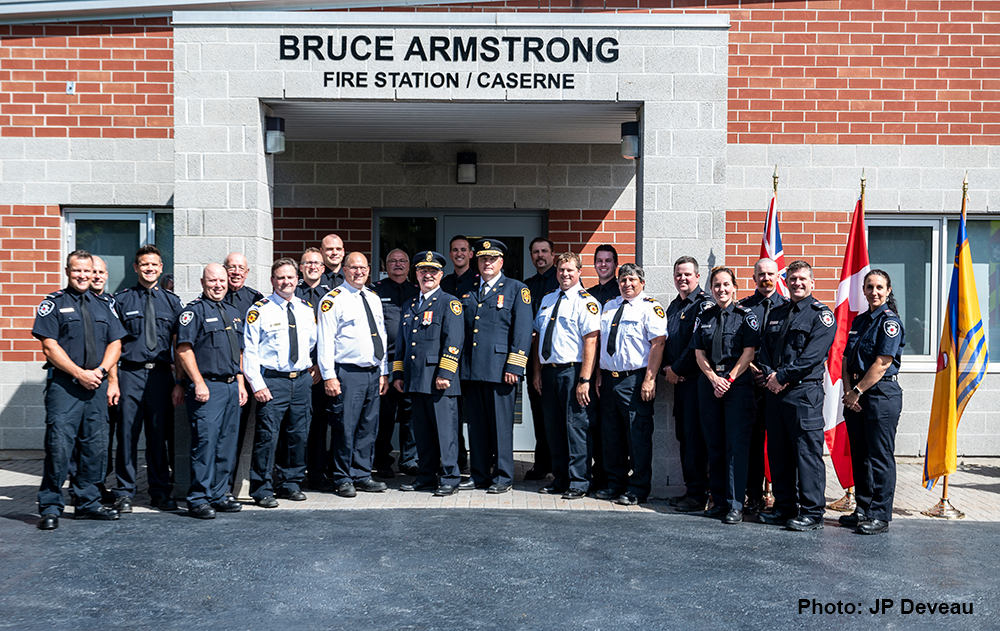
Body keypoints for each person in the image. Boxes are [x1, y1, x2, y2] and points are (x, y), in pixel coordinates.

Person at [34, 251, 127, 530]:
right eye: (77, 270)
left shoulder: (104, 306)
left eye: (87, 271)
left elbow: (116, 344)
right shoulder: (53, 304)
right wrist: (79, 374)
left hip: (95, 387)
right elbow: (49, 347)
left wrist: (99, 373)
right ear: (67, 271)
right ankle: (50, 506)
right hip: (66, 387)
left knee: (95, 447)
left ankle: (88, 503)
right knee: (59, 447)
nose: (83, 275)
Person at [757, 260, 836, 531]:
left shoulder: (821, 315)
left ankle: (812, 513)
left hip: (804, 394)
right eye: (792, 279)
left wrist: (780, 377)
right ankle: (784, 507)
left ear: (812, 282)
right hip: (775, 394)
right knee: (779, 453)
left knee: (806, 454)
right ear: (786, 282)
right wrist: (770, 375)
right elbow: (764, 350)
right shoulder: (778, 311)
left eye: (802, 279)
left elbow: (813, 356)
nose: (797, 283)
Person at [111, 245, 184, 513]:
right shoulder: (121, 301)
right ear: (136, 268)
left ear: (161, 267)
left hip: (161, 376)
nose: (149, 268)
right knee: (127, 434)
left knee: (158, 435)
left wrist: (179, 382)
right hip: (130, 373)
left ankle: (159, 491)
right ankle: (125, 491)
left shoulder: (173, 302)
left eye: (154, 264)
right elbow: (114, 343)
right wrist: (113, 380)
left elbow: (180, 346)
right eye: (144, 264)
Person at [457, 239, 532, 494]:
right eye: (482, 259)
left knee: (501, 427)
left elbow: (522, 333)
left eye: (492, 259)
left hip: (502, 371)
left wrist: (515, 366)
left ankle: (503, 476)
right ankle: (479, 474)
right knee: (477, 427)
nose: (487, 263)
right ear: (476, 262)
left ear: (501, 262)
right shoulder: (467, 290)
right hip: (472, 370)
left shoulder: (516, 289)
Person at [174, 263, 248, 520]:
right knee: (205, 444)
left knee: (227, 444)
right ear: (202, 282)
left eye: (221, 280)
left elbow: (238, 351)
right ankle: (198, 499)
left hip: (230, 387)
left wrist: (240, 382)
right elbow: (184, 349)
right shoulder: (193, 312)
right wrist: (198, 382)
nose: (217, 285)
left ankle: (219, 495)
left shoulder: (232, 311)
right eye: (212, 281)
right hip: (208, 387)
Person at [243, 258, 318, 508]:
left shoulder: (306, 309)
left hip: (301, 380)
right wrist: (257, 384)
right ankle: (262, 488)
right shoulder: (260, 310)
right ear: (272, 280)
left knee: (298, 434)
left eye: (290, 277)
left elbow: (311, 343)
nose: (286, 282)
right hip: (273, 381)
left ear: (298, 279)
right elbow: (250, 351)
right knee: (267, 436)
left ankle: (290, 482)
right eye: (281, 277)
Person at [317, 252, 389, 498]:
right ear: (344, 270)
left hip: (372, 372)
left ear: (369, 270)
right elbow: (325, 340)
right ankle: (343, 477)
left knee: (368, 427)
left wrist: (383, 371)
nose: (359, 272)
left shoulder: (373, 298)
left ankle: (361, 474)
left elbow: (380, 335)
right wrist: (328, 375)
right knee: (345, 427)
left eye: (363, 268)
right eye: (354, 267)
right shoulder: (333, 300)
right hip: (347, 373)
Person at [691, 266, 759, 524]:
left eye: (726, 284)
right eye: (716, 285)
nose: (721, 289)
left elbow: (749, 353)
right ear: (711, 288)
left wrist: (728, 379)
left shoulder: (745, 316)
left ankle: (735, 504)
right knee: (715, 445)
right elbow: (699, 353)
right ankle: (718, 501)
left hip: (737, 386)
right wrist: (713, 379)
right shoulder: (704, 316)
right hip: (710, 385)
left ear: (735, 287)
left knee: (736, 447)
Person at [394, 251, 465, 496]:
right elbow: (403, 345)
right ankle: (426, 477)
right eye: (423, 271)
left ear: (440, 275)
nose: (428, 275)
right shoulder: (410, 305)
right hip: (415, 380)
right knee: (422, 435)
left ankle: (449, 478)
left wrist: (445, 372)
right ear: (416, 274)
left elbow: (454, 341)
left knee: (446, 434)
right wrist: (399, 374)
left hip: (439, 381)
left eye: (433, 271)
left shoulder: (449, 303)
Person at [840, 269, 905, 535]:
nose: (874, 292)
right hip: (856, 394)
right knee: (861, 456)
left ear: (888, 291)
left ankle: (880, 514)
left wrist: (856, 391)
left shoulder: (890, 322)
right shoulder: (860, 320)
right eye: (869, 287)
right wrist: (849, 392)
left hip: (881, 395)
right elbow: (846, 359)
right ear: (864, 290)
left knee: (880, 457)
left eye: (879, 287)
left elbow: (882, 363)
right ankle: (863, 509)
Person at [596, 263, 666, 506]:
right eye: (623, 280)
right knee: (611, 436)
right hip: (608, 379)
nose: (627, 284)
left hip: (635, 380)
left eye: (632, 280)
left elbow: (658, 343)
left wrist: (650, 379)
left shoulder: (650, 307)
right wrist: (597, 374)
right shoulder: (609, 306)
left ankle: (637, 488)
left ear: (642, 283)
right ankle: (615, 484)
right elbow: (602, 344)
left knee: (638, 436)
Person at [532, 252, 600, 499]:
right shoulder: (548, 299)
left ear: (579, 272)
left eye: (570, 270)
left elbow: (591, 342)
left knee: (576, 428)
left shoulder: (586, 302)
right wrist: (537, 371)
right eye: (561, 270)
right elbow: (538, 337)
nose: (565, 274)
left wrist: (584, 380)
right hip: (549, 373)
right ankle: (559, 478)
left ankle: (579, 481)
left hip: (573, 372)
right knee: (554, 429)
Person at [661, 256, 712, 513]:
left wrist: (676, 369)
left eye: (687, 274)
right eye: (678, 274)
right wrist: (665, 370)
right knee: (684, 436)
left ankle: (698, 494)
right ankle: (691, 489)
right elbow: (665, 343)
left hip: (695, 383)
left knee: (694, 440)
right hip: (679, 383)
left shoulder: (703, 305)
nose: (682, 278)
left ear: (697, 276)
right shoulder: (674, 306)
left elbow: (697, 343)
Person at [737, 258, 788, 515]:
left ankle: (784, 499)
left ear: (778, 275)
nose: (765, 278)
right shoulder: (744, 308)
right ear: (754, 277)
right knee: (753, 446)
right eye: (761, 274)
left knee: (782, 446)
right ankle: (754, 497)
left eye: (770, 273)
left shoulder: (789, 307)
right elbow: (737, 347)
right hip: (751, 387)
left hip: (781, 387)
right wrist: (755, 371)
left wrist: (774, 376)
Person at [371, 248, 420, 479]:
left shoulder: (418, 292)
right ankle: (382, 460)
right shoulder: (375, 292)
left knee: (411, 414)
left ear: (409, 266)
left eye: (402, 261)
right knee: (385, 414)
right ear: (386, 266)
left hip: (412, 363)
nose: (398, 265)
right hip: (387, 363)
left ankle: (410, 460)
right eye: (393, 261)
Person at [222, 252, 264, 493]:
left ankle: (227, 490)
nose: (236, 272)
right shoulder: (211, 297)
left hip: (245, 380)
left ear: (247, 273)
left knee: (236, 435)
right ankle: (216, 488)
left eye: (241, 268)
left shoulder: (255, 300)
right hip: (216, 378)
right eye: (231, 267)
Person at [296, 247, 335, 491]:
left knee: (320, 425)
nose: (313, 267)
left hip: (321, 372)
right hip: (299, 371)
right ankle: (294, 474)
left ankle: (318, 473)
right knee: (297, 425)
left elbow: (333, 336)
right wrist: (307, 365)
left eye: (317, 263)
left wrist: (320, 365)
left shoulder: (330, 296)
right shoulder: (290, 292)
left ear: (323, 268)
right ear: (301, 267)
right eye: (308, 263)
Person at [523, 237, 558, 481]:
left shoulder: (563, 280)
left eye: (544, 251)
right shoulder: (527, 285)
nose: (540, 256)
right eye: (535, 252)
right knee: (538, 413)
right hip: (533, 360)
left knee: (557, 416)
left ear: (553, 254)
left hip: (559, 360)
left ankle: (559, 464)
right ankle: (542, 462)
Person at [440, 234, 476, 475]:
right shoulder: (444, 282)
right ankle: (458, 457)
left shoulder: (479, 280)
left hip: (473, 359)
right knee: (451, 414)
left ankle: (484, 460)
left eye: (464, 249)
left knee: (474, 415)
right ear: (450, 254)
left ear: (470, 254)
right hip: (450, 359)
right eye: (455, 250)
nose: (459, 253)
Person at [585, 244, 620, 490]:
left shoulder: (623, 292)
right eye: (599, 260)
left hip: (611, 371)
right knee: (594, 425)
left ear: (615, 264)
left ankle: (613, 477)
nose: (603, 264)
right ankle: (598, 475)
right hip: (590, 369)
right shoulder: (588, 294)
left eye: (608, 260)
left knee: (613, 430)